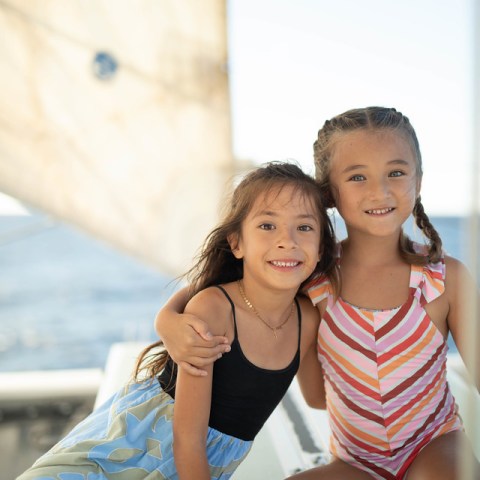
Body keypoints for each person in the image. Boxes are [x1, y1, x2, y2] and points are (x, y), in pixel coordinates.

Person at [155, 107, 480, 479]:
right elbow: (223, 286)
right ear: (327, 192)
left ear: (418, 180)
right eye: (358, 176)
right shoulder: (310, 277)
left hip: (435, 445)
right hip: (354, 465)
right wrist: (167, 321)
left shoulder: (444, 278)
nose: (380, 190)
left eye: (396, 172)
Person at [17, 161, 338, 480]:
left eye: (305, 227)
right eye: (268, 226)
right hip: (136, 449)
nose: (288, 241)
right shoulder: (215, 310)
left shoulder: (307, 317)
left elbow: (317, 398)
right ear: (237, 243)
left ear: (322, 245)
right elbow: (188, 438)